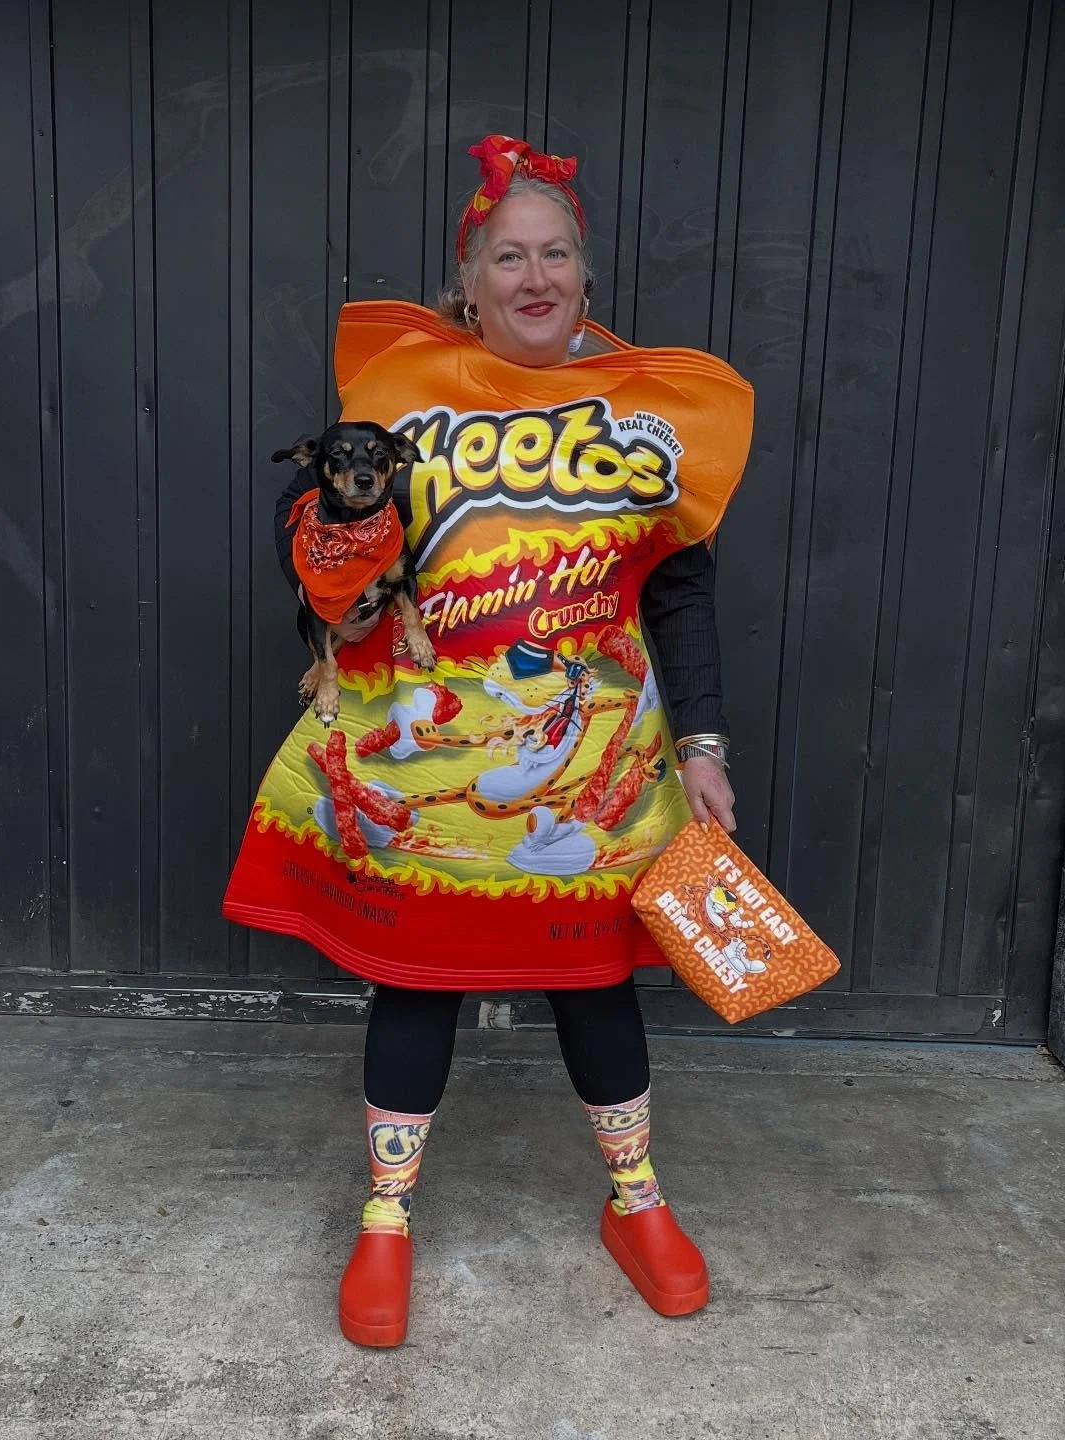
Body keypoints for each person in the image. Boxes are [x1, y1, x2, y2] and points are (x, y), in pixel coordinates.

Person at [224, 135, 753, 1348]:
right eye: (508, 257)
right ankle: (386, 1220)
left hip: (594, 754)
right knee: (416, 979)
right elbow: (319, 529)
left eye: (555, 253)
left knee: (596, 980)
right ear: (467, 281)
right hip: (429, 762)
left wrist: (705, 744)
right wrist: (322, 565)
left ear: (585, 271)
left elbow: (680, 591)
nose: (535, 277)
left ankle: (636, 1202)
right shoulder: (406, 392)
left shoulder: (648, 413)